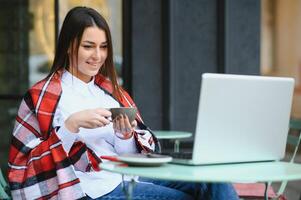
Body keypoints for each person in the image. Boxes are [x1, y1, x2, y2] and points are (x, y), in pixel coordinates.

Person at [7, 6, 239, 200]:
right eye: (88, 46)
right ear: (69, 46)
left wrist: (125, 136)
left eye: (103, 46)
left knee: (214, 180)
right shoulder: (43, 96)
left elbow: (128, 156)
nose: (97, 55)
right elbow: (26, 166)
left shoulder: (110, 92)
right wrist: (71, 125)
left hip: (129, 175)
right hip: (91, 188)